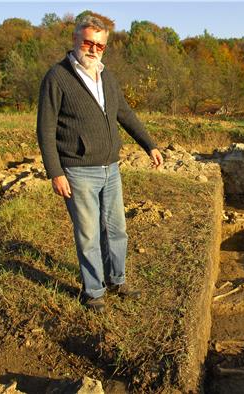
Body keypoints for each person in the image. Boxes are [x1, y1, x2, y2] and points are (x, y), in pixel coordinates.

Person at [37, 14, 163, 312]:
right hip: (78, 170)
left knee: (116, 229)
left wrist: (150, 145)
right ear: (76, 40)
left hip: (111, 168)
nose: (93, 49)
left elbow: (125, 113)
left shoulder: (106, 76)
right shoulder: (57, 77)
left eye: (100, 45)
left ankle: (116, 279)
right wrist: (55, 172)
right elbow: (45, 129)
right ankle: (94, 291)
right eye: (88, 42)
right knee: (89, 234)